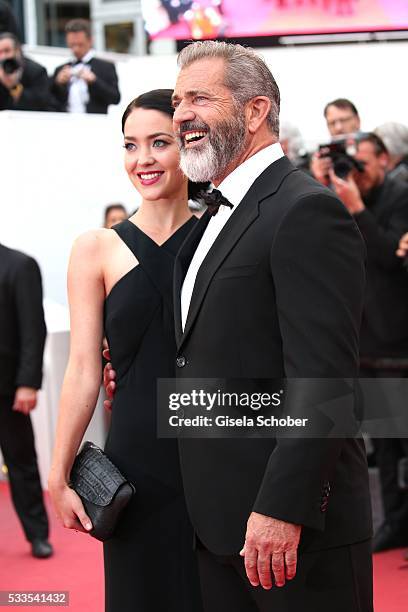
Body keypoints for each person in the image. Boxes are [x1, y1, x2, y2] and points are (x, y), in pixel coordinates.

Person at [106, 41, 373, 611]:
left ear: (255, 112)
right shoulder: (213, 219)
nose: (181, 115)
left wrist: (283, 507)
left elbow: (326, 382)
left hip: (292, 535)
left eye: (200, 98)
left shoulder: (304, 210)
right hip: (216, 526)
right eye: (178, 102)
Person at [48, 89, 203, 612]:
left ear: (189, 144)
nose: (143, 160)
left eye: (159, 142)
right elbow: (84, 369)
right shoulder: (95, 249)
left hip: (219, 446)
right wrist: (59, 469)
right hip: (137, 460)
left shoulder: (220, 236)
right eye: (130, 145)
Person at [330, 132, 408, 552]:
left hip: (399, 339)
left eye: (362, 164)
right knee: (385, 440)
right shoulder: (343, 200)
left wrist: (358, 209)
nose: (356, 173)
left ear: (384, 159)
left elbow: (390, 260)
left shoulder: (400, 196)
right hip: (367, 339)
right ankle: (395, 523)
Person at [0, 243, 52, 559]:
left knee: (21, 465)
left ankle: (37, 535)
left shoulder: (19, 265)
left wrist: (28, 383)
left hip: (8, 390)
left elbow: (34, 329)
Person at [50, 19, 120, 114]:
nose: (76, 49)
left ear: (90, 41)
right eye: (72, 45)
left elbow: (115, 99)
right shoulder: (60, 69)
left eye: (80, 44)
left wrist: (95, 81)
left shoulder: (106, 67)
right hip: (66, 123)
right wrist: (58, 83)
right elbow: (49, 101)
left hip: (95, 123)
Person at [310, 97, 361, 186]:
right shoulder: (323, 156)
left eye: (344, 120)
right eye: (332, 123)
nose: (338, 128)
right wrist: (319, 180)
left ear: (357, 120)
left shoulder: (374, 146)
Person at [0, 32, 49, 111]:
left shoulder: (37, 71)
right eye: (0, 52)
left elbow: (40, 103)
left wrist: (13, 86)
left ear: (18, 50)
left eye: (7, 51)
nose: (3, 57)